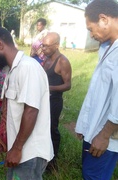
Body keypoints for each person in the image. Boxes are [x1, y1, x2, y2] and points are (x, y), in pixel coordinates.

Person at [0, 28, 54, 180]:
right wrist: (1, 136)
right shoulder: (12, 70)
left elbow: (31, 110)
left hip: (29, 153)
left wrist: (16, 148)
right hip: (19, 150)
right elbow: (10, 109)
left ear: (0, 44)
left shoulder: (28, 68)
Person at [75, 0, 118, 180]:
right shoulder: (108, 46)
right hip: (96, 129)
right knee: (92, 179)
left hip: (106, 135)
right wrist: (84, 124)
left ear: (104, 19)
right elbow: (98, 93)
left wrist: (104, 135)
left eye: (90, 29)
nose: (91, 34)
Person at [42, 32, 72, 172]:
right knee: (42, 128)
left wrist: (50, 88)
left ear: (57, 45)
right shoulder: (46, 59)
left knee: (52, 129)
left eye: (47, 46)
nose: (43, 48)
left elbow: (68, 85)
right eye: (43, 45)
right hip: (43, 100)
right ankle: (44, 155)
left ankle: (52, 162)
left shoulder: (63, 61)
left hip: (54, 101)